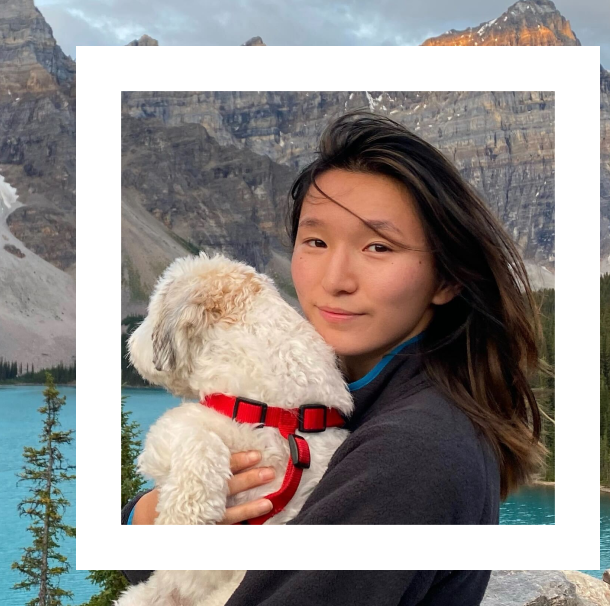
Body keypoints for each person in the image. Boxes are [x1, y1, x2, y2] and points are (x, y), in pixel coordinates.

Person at [121, 109, 548, 605]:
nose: (335, 279)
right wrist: (153, 515)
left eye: (378, 247)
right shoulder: (351, 406)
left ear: (449, 278)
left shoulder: (414, 452)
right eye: (316, 241)